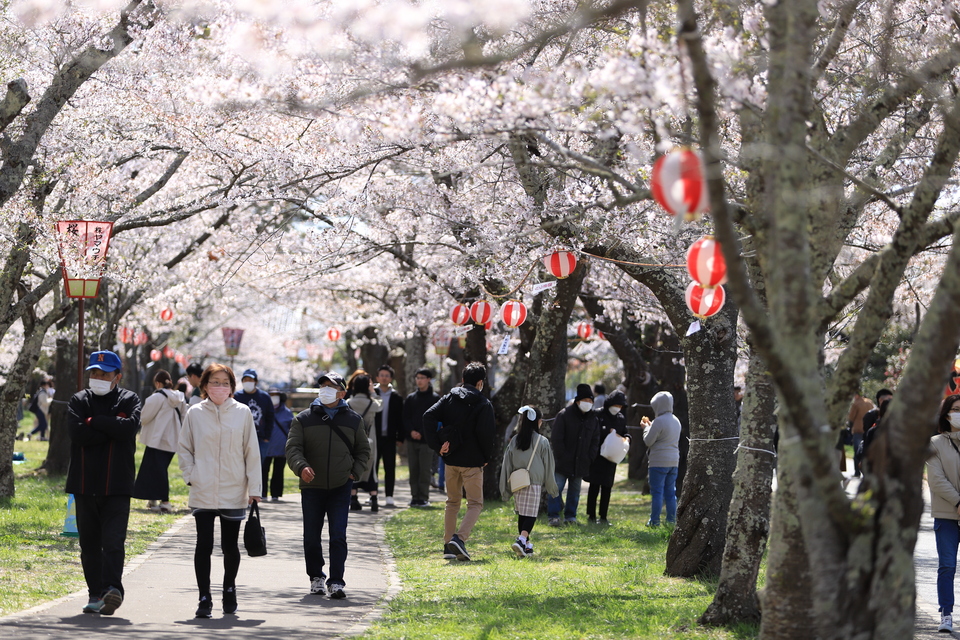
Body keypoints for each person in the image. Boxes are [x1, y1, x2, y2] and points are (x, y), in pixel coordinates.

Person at [178, 363, 262, 618]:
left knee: (230, 545)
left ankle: (229, 588)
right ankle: (204, 597)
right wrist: (191, 476)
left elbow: (252, 451)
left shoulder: (242, 412)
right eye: (215, 382)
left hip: (233, 488)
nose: (220, 387)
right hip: (202, 488)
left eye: (225, 383)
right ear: (204, 386)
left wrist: (254, 487)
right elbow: (184, 448)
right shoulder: (194, 413)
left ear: (232, 387)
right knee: (203, 544)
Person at [66, 350, 141, 616]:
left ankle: (113, 589)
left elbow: (128, 429)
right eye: (94, 373)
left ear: (117, 377)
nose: (98, 378)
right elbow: (77, 434)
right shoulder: (78, 400)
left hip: (117, 484)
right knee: (89, 543)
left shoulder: (129, 399)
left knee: (113, 540)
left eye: (104, 374)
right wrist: (111, 428)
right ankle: (94, 594)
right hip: (84, 483)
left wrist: (94, 422)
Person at [287, 371, 370, 599]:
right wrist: (301, 467)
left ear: (342, 392)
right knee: (311, 536)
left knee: (338, 535)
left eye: (331, 386)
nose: (325, 389)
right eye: (322, 385)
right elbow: (293, 448)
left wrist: (354, 473)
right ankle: (316, 577)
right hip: (312, 487)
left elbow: (363, 451)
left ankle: (336, 581)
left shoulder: (353, 420)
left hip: (341, 486)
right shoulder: (303, 419)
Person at [423, 362, 496, 561]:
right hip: (472, 462)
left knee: (452, 502)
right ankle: (459, 539)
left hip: (451, 458)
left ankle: (448, 545)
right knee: (475, 503)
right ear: (480, 382)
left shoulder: (449, 398)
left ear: (463, 379)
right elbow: (487, 434)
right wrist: (486, 457)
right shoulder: (483, 403)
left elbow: (428, 416)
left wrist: (437, 445)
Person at [499, 406, 559, 558]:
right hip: (534, 482)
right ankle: (521, 539)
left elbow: (507, 463)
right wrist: (552, 487)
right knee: (531, 514)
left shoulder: (515, 440)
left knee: (522, 514)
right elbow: (549, 466)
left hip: (517, 482)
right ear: (538, 422)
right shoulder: (542, 441)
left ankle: (526, 547)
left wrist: (505, 487)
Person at [926, 394, 960, 633]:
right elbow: (936, 479)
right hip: (947, 514)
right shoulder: (935, 443)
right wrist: (959, 502)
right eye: (956, 409)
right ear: (947, 414)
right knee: (947, 566)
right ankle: (946, 614)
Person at [547, 383, 601, 526]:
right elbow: (557, 438)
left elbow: (595, 441)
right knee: (555, 489)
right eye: (585, 401)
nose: (588, 404)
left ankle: (571, 517)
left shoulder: (593, 419)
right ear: (577, 401)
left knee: (575, 492)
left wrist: (590, 457)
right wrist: (562, 456)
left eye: (590, 401)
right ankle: (553, 516)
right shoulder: (564, 415)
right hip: (562, 462)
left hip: (582, 463)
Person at [133, 370, 186, 514]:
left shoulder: (156, 397)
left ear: (157, 383)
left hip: (157, 439)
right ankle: (153, 500)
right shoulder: (180, 398)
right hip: (173, 439)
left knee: (156, 471)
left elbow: (144, 417)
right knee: (156, 470)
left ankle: (165, 501)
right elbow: (184, 416)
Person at [586, 390, 630, 525]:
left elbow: (625, 432)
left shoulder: (620, 418)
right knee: (594, 486)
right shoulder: (598, 415)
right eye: (616, 405)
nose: (618, 408)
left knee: (607, 487)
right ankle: (591, 515)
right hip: (598, 457)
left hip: (612, 458)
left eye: (620, 406)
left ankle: (603, 516)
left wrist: (627, 439)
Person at [642, 391, 682, 527]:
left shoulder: (658, 421)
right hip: (673, 461)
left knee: (657, 492)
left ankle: (654, 521)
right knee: (671, 493)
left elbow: (648, 441)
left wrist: (646, 428)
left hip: (658, 461)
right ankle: (671, 521)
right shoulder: (676, 420)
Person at [403, 367, 440, 507]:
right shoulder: (411, 398)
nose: (419, 380)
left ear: (428, 380)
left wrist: (423, 433)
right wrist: (411, 431)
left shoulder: (435, 398)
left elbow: (435, 419)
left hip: (427, 441)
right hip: (412, 439)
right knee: (413, 469)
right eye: (417, 378)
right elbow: (406, 418)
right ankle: (414, 496)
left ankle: (423, 497)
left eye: (422, 378)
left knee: (425, 469)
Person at [345, 374, 382, 511]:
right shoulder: (372, 403)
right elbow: (380, 406)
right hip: (370, 439)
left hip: (353, 439)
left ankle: (353, 498)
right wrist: (373, 392)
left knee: (354, 467)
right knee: (371, 469)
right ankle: (374, 498)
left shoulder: (349, 403)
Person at [373, 364, 404, 506]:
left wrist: (400, 437)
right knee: (373, 465)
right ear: (377, 377)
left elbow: (401, 418)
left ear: (391, 378)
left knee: (389, 466)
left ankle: (389, 495)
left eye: (387, 375)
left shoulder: (396, 397)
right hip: (374, 436)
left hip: (390, 437)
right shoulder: (372, 393)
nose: (384, 378)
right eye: (382, 375)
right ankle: (372, 493)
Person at [264, 388, 294, 502]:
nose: (274, 397)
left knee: (278, 472)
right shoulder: (265, 410)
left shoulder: (287, 412)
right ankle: (262, 493)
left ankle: (276, 494)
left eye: (276, 395)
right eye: (271, 395)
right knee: (263, 471)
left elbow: (292, 429)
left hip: (282, 448)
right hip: (266, 447)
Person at [848, 389, 877, 477]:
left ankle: (857, 472)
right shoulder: (870, 402)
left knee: (857, 452)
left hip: (858, 430)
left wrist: (849, 429)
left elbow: (851, 418)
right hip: (869, 429)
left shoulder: (855, 404)